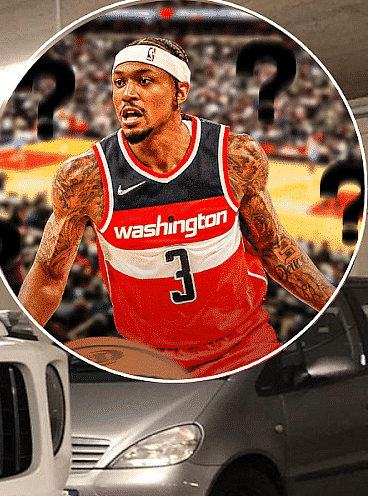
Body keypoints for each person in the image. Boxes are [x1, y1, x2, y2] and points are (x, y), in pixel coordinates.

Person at [17, 38, 335, 377]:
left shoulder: (233, 156)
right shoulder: (85, 177)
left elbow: (274, 249)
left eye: (144, 80)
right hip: (148, 362)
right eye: (119, 81)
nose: (127, 93)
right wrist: (17, 349)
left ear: (179, 92)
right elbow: (48, 277)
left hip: (245, 347)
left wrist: (339, 308)